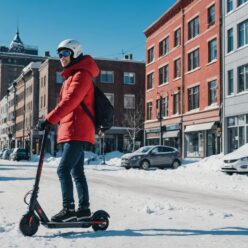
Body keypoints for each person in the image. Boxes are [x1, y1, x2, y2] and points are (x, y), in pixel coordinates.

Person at [38, 39, 99, 222]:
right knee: (76, 172)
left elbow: (70, 102)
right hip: (71, 129)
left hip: (77, 130)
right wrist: (51, 122)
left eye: (65, 53)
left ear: (75, 53)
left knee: (63, 170)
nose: (61, 57)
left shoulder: (82, 75)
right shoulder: (70, 77)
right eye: (60, 54)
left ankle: (69, 209)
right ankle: (84, 209)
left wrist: (49, 119)